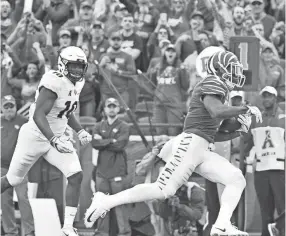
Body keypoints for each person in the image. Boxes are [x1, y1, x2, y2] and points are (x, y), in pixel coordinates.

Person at [84, 48, 263, 236]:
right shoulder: (212, 82)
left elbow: (214, 133)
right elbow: (216, 111)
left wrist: (238, 130)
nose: (236, 73)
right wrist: (244, 109)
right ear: (220, 68)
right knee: (162, 190)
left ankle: (221, 225)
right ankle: (105, 201)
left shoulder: (219, 91)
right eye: (232, 68)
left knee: (236, 179)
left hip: (201, 147)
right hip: (191, 145)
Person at [1, 46, 92, 236]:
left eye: (80, 67)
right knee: (13, 179)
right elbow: (39, 115)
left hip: (56, 139)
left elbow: (66, 111)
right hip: (35, 136)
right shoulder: (53, 82)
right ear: (63, 65)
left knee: (76, 175)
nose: (77, 71)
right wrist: (53, 138)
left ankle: (68, 226)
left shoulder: (78, 83)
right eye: (73, 66)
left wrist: (80, 130)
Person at [244, 86, 285, 236]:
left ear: (275, 98)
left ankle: (280, 231)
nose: (266, 99)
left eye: (269, 96)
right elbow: (247, 142)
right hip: (261, 170)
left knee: (283, 208)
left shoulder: (284, 118)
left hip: (280, 169)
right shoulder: (256, 119)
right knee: (265, 209)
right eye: (264, 96)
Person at [91, 97, 131, 236]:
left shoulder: (124, 126)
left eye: (114, 106)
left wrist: (103, 141)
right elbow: (94, 143)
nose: (112, 108)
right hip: (101, 172)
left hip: (117, 171)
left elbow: (120, 145)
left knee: (119, 206)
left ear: (118, 108)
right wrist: (111, 141)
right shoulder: (98, 126)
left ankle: (124, 233)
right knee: (101, 205)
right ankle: (102, 233)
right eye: (109, 106)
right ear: (104, 109)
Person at [1, 95, 35, 236]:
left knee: (23, 198)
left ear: (16, 106)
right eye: (6, 106)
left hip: (20, 167)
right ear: (2, 108)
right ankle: (10, 231)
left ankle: (29, 231)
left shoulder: (24, 121)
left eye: (11, 106)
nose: (9, 109)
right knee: (4, 200)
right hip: (2, 166)